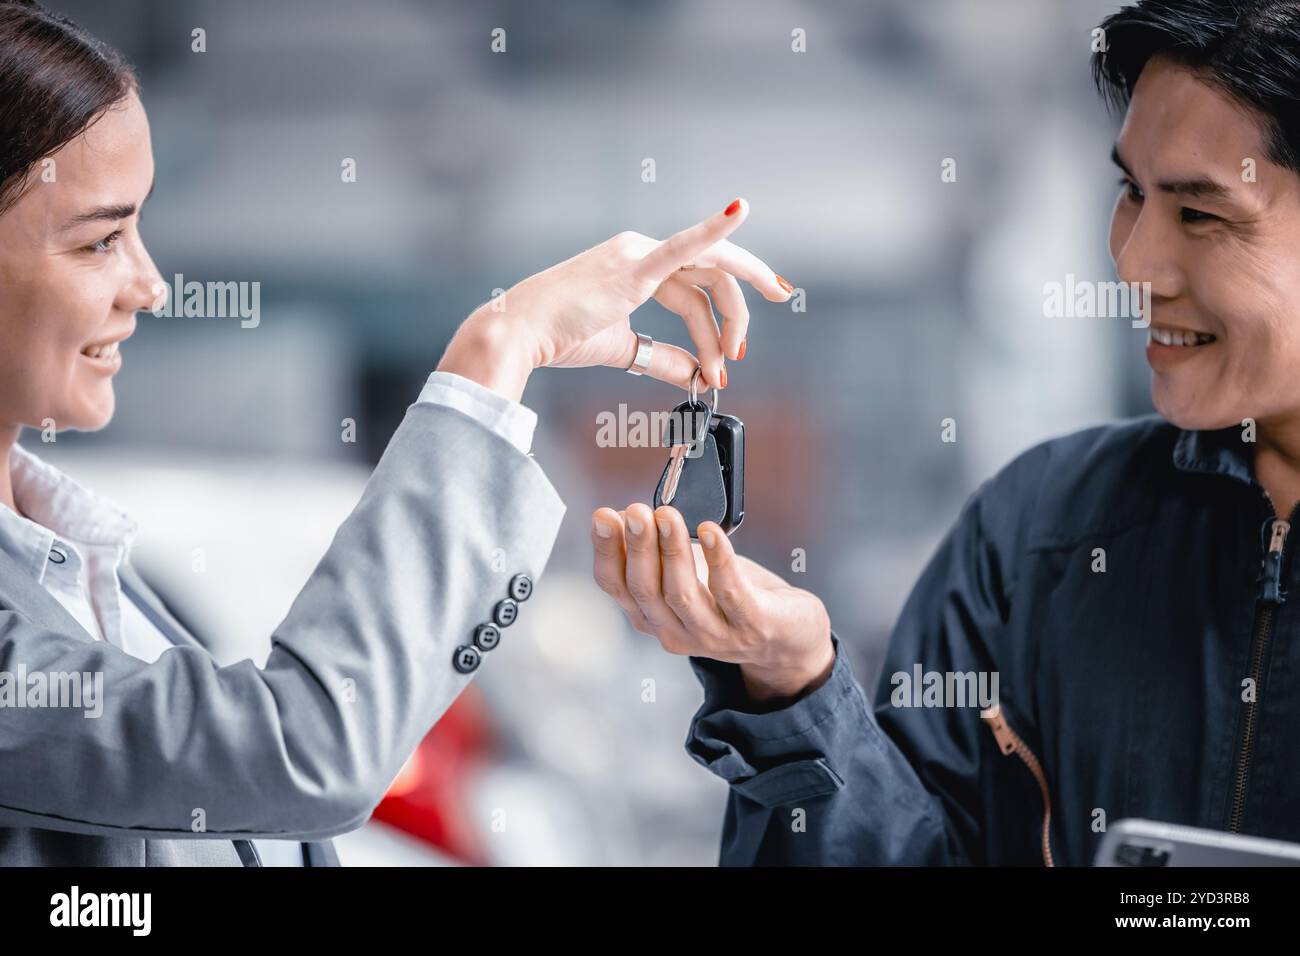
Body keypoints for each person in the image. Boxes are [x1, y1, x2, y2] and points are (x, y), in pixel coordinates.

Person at [0, 0, 793, 866]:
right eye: (100, 241)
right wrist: (499, 348)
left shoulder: (77, 565)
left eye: (140, 228)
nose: (150, 285)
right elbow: (301, 752)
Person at [592, 0, 1300, 865]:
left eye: (1199, 214)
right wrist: (793, 692)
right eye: (1130, 193)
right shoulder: (1039, 534)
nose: (1133, 262)